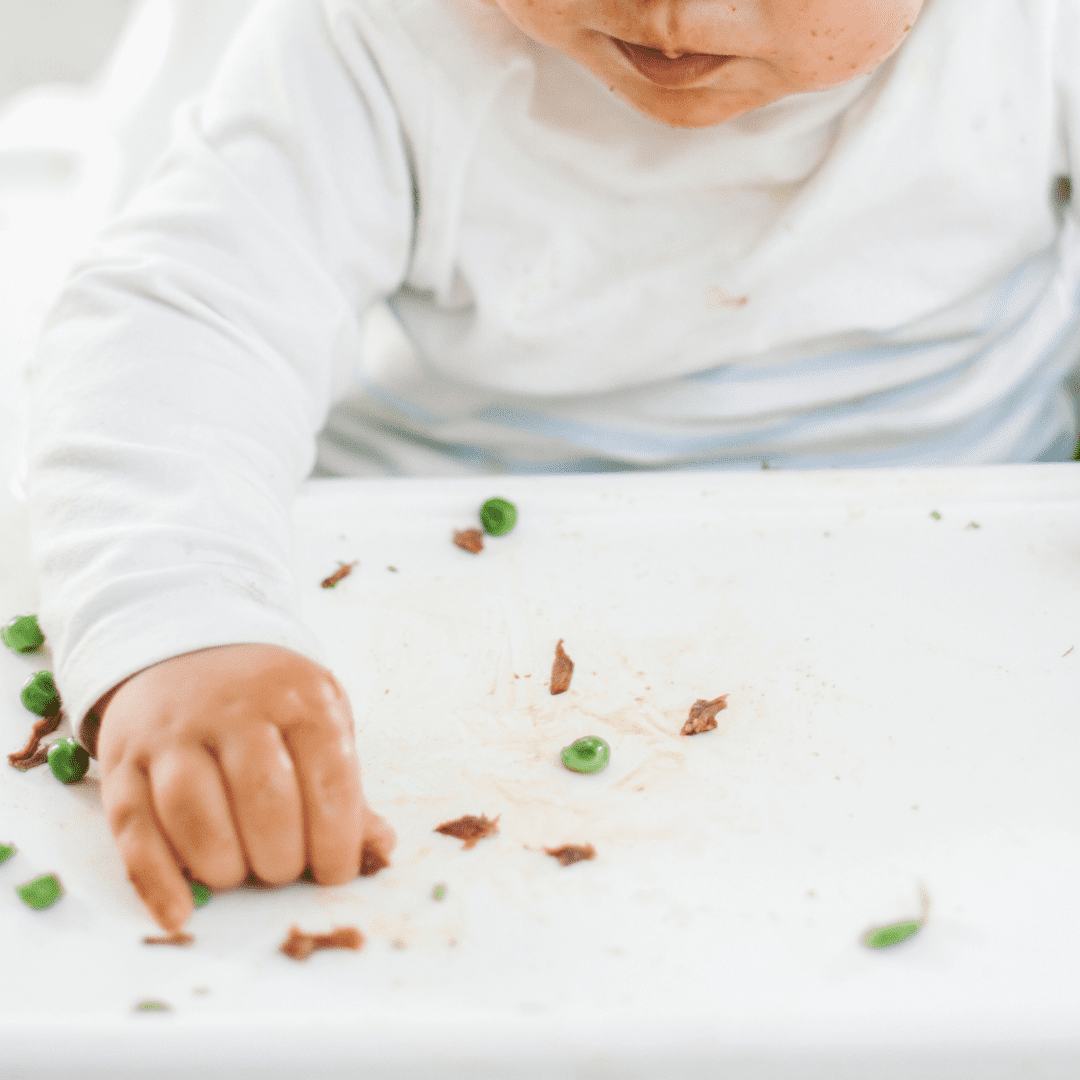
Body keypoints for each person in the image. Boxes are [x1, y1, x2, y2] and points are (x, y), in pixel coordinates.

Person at [25, 0, 1080, 932]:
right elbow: (189, 319)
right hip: (438, 573)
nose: (678, 10)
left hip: (951, 594)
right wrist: (185, 622)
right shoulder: (374, 37)